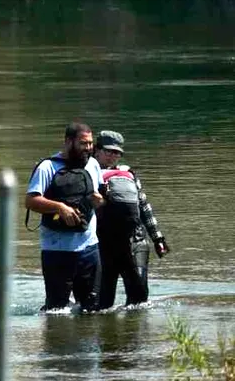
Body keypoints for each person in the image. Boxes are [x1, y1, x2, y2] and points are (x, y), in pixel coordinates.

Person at [25, 122, 105, 312]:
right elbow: (31, 201)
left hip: (89, 247)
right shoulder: (47, 167)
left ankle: (87, 341)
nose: (88, 148)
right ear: (68, 142)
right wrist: (60, 207)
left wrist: (99, 200)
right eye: (83, 143)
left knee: (92, 307)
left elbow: (100, 198)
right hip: (57, 250)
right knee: (57, 310)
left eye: (90, 144)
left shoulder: (92, 164)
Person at [93, 130, 170, 309]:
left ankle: (135, 335)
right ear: (96, 150)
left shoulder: (128, 174)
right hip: (104, 244)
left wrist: (158, 238)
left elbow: (144, 206)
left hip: (135, 241)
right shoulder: (87, 173)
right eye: (109, 151)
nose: (113, 156)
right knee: (102, 303)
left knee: (139, 301)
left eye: (117, 153)